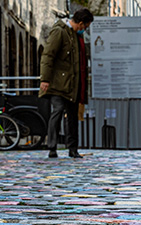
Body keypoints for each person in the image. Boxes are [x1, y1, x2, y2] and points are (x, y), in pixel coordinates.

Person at [39, 8, 94, 159]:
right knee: (57, 112)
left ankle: (73, 149)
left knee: (72, 117)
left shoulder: (76, 36)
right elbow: (48, 55)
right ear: (80, 23)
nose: (85, 30)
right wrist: (45, 79)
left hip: (73, 84)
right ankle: (52, 147)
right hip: (58, 83)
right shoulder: (60, 32)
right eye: (85, 26)